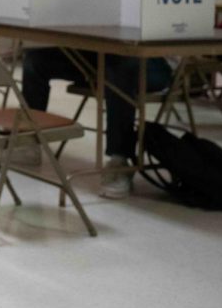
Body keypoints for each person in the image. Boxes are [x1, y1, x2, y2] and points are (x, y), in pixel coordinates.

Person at [18, 49, 172, 199]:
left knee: (121, 65)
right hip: (95, 58)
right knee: (35, 60)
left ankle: (120, 161)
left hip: (146, 61)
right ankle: (30, 139)